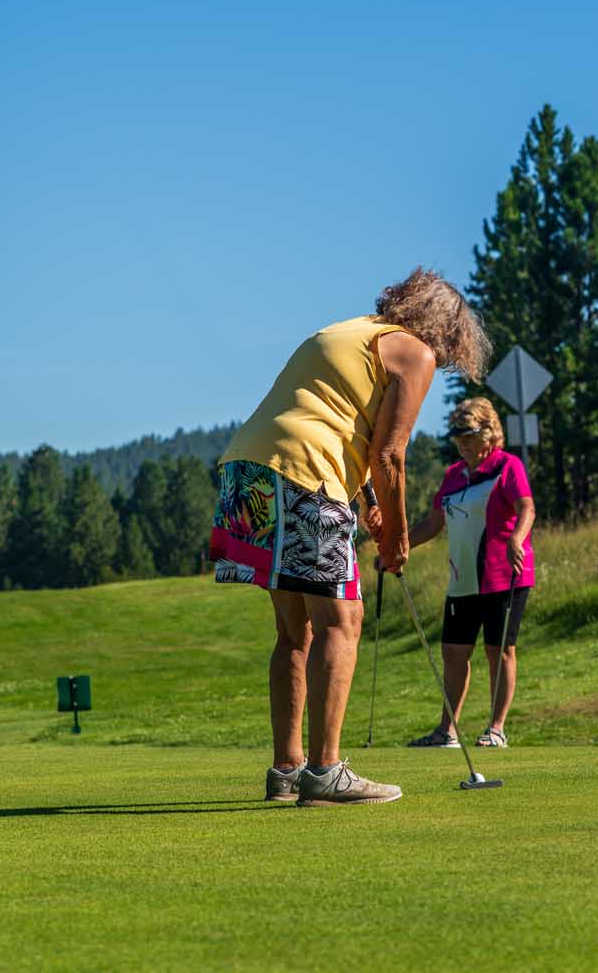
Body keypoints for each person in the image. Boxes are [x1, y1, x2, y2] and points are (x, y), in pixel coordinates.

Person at [211, 267, 489, 807]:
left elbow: (337, 421)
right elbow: (389, 455)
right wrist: (397, 538)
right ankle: (325, 773)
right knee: (341, 620)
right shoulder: (414, 353)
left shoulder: (348, 331)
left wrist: (368, 505)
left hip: (246, 474)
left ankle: (287, 770)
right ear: (447, 331)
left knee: (294, 632)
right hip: (304, 474)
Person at [404, 396, 535, 750]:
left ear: (488, 432)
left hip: (504, 574)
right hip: (462, 579)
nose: (461, 441)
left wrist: (517, 539)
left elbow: (526, 507)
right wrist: (398, 548)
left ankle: (496, 729)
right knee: (453, 652)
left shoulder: (507, 466)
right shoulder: (452, 476)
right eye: (457, 435)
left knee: (499, 650)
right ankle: (446, 732)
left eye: (469, 434)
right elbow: (432, 525)